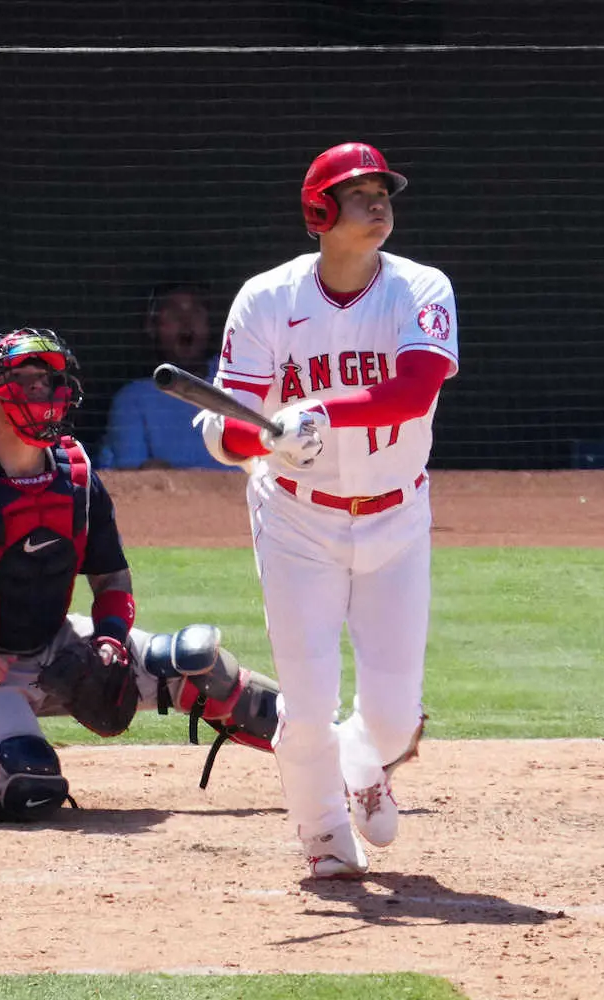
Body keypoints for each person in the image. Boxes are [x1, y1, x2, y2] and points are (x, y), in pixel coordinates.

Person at [0, 328, 279, 820]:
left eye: (50, 379)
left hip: (53, 644)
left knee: (199, 667)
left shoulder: (77, 475)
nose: (44, 391)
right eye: (27, 380)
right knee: (31, 785)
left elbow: (112, 580)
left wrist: (109, 639)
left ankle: (333, 749)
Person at [199, 141, 459, 879]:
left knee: (392, 718)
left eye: (384, 191)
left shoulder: (422, 288)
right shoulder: (267, 299)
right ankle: (322, 838)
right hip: (296, 519)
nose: (379, 203)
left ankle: (362, 757)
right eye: (358, 192)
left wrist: (317, 410)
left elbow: (414, 390)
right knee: (307, 702)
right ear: (319, 211)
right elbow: (231, 427)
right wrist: (258, 436)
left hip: (397, 518)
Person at [98, 282, 230, 470]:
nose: (186, 322)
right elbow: (135, 481)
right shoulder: (134, 399)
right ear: (152, 327)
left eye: (197, 312)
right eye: (173, 313)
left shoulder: (234, 383)